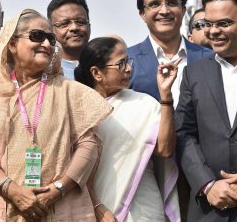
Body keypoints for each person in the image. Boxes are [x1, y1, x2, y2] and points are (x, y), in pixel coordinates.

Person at [0, 9, 112, 221]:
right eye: (37, 36)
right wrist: (9, 188)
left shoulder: (72, 92)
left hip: (61, 204)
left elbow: (88, 145)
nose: (47, 44)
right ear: (12, 44)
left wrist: (58, 189)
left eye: (50, 38)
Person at [75, 37, 180, 221]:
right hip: (93, 207)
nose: (129, 68)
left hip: (143, 207)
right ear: (97, 73)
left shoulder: (145, 103)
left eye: (128, 61)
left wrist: (165, 95)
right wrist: (98, 207)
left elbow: (165, 150)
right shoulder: (80, 109)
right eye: (121, 64)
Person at [176, 0, 237, 222]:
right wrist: (207, 184)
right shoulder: (193, 73)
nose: (213, 31)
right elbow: (184, 134)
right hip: (210, 211)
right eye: (208, 24)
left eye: (224, 23)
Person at [127, 0, 213, 106]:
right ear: (142, 14)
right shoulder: (127, 61)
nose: (164, 11)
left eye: (171, 3)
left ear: (183, 10)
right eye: (154, 4)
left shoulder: (211, 59)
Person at [47, 0, 91, 80]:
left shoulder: (108, 65)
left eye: (80, 21)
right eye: (64, 23)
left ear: (89, 26)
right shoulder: (45, 73)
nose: (74, 28)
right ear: (51, 31)